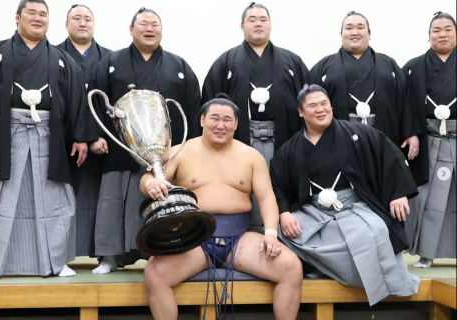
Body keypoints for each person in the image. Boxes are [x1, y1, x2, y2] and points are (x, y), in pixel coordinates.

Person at [140, 95, 302, 320]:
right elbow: (147, 177)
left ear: (236, 123)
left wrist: (271, 234)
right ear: (202, 120)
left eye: (227, 119)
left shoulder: (251, 156)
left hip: (240, 238)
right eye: (214, 118)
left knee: (291, 267)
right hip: (193, 238)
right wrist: (151, 183)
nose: (220, 125)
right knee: (155, 273)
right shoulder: (181, 151)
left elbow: (266, 198)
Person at [270, 84, 420, 306]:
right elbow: (277, 183)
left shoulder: (357, 134)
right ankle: (327, 267)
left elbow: (389, 156)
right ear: (301, 112)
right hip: (313, 210)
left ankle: (343, 273)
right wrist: (283, 213)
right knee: (287, 234)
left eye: (324, 104)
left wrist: (398, 193)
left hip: (352, 206)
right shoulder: (290, 149)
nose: (321, 109)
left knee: (373, 232)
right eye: (313, 106)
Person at [0, 0, 95, 278]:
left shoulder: (63, 60)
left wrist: (79, 137)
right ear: (17, 18)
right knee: (0, 199)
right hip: (7, 134)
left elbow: (77, 101)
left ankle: (56, 262)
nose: (38, 18)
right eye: (31, 12)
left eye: (43, 14)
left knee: (54, 200)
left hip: (50, 136)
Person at [88, 7, 201, 273]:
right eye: (143, 24)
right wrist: (94, 137)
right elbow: (93, 101)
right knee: (114, 200)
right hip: (120, 146)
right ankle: (109, 257)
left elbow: (193, 107)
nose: (150, 28)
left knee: (164, 201)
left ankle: (162, 253)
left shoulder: (179, 65)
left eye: (155, 24)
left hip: (166, 150)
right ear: (131, 29)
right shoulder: (111, 62)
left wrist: (190, 147)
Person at [202, 2, 310, 233]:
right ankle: (242, 235)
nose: (258, 24)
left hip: (283, 138)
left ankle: (282, 236)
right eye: (252, 20)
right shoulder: (226, 61)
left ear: (271, 25)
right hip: (239, 140)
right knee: (239, 185)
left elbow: (307, 104)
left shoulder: (292, 61)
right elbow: (210, 103)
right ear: (242, 26)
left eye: (263, 19)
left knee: (281, 184)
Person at [310, 11, 418, 156]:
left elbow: (405, 100)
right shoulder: (323, 67)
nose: (354, 32)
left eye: (360, 27)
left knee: (381, 174)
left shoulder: (389, 65)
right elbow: (309, 103)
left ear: (369, 33)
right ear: (341, 33)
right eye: (349, 28)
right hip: (337, 135)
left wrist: (410, 133)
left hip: (383, 132)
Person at [402, 12, 456, 268]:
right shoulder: (414, 66)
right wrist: (411, 132)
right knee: (427, 197)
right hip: (428, 139)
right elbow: (403, 104)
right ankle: (425, 252)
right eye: (436, 30)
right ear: (428, 35)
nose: (442, 34)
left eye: (447, 29)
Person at [58, 4, 112, 257]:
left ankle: (104, 255)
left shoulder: (112, 58)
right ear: (66, 24)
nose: (82, 23)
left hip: (104, 143)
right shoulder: (53, 56)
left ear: (94, 25)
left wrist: (98, 137)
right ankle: (61, 254)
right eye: (76, 18)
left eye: (87, 19)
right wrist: (83, 136)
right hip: (64, 141)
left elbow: (114, 104)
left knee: (103, 199)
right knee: (63, 199)